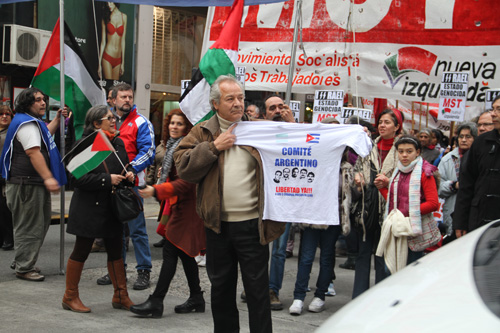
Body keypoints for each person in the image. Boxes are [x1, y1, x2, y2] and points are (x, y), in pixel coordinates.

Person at [174, 75, 285, 333]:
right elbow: (183, 167)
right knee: (221, 290)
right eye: (230, 99)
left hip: (253, 227)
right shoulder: (202, 131)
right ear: (215, 104)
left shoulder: (259, 129)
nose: (237, 103)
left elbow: (290, 150)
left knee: (258, 293)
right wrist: (213, 147)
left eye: (240, 98)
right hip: (217, 227)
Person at [130, 109, 206, 318]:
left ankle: (156, 301)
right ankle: (197, 298)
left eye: (179, 124)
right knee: (184, 254)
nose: (174, 127)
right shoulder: (172, 147)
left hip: (188, 210)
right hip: (177, 208)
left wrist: (157, 190)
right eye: (172, 123)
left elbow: (186, 183)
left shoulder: (189, 149)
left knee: (171, 253)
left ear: (187, 128)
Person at [62, 105, 135, 313]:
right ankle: (70, 296)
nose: (114, 121)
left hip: (112, 207)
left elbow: (124, 166)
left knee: (116, 249)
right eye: (109, 118)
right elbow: (75, 179)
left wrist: (128, 174)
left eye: (114, 118)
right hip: (88, 208)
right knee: (82, 250)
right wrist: (106, 179)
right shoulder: (84, 146)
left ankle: (121, 295)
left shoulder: (118, 142)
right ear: (96, 123)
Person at [1, 87, 66, 281]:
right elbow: (33, 152)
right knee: (30, 227)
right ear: (27, 103)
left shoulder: (30, 123)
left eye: (43, 99)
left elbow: (45, 134)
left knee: (36, 224)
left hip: (28, 184)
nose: (43, 102)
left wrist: (57, 120)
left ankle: (23, 259)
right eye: (38, 100)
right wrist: (48, 177)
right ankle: (24, 267)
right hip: (27, 185)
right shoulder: (27, 124)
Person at [96, 83, 155, 290]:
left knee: (137, 231)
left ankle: (144, 271)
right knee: (114, 232)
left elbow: (148, 151)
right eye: (123, 97)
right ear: (112, 99)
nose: (127, 100)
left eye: (130, 96)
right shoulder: (106, 122)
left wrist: (132, 167)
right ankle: (116, 270)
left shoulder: (141, 122)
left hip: (133, 185)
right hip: (111, 184)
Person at [351, 108, 403, 298]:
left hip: (390, 210)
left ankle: (380, 299)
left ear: (397, 127)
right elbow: (356, 169)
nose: (382, 125)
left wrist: (390, 182)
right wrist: (358, 179)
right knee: (363, 254)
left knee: (383, 256)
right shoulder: (368, 146)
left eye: (387, 122)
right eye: (380, 122)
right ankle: (359, 297)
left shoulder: (403, 149)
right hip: (366, 208)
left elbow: (409, 180)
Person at [376, 135, 439, 272]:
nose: (404, 155)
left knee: (409, 273)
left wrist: (407, 213)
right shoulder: (397, 172)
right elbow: (394, 203)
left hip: (414, 232)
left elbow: (433, 203)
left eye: (409, 151)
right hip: (398, 228)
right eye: (401, 151)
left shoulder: (425, 173)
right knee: (391, 272)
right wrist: (382, 188)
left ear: (418, 152)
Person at [454, 96, 500, 237]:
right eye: (493, 108)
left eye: (498, 109)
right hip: (479, 220)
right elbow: (467, 184)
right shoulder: (481, 142)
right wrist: (460, 222)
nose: (493, 113)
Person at [438, 123, 477, 237]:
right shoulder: (447, 160)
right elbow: (438, 187)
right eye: (461, 136)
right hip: (452, 213)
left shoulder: (480, 158)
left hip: (474, 212)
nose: (464, 140)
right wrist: (454, 185)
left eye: (468, 137)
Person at [98, 2, 127, 80]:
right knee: (109, 86)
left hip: (118, 59)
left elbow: (123, 41)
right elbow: (103, 42)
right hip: (107, 56)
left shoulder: (124, 17)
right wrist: (99, 64)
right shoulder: (106, 17)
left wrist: (123, 63)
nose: (109, 5)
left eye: (111, 2)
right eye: (107, 3)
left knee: (115, 89)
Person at [0, 105, 14, 251]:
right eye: (1, 114)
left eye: (7, 114)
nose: (4, 116)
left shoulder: (12, 133)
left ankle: (8, 238)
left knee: (5, 209)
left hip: (5, 174)